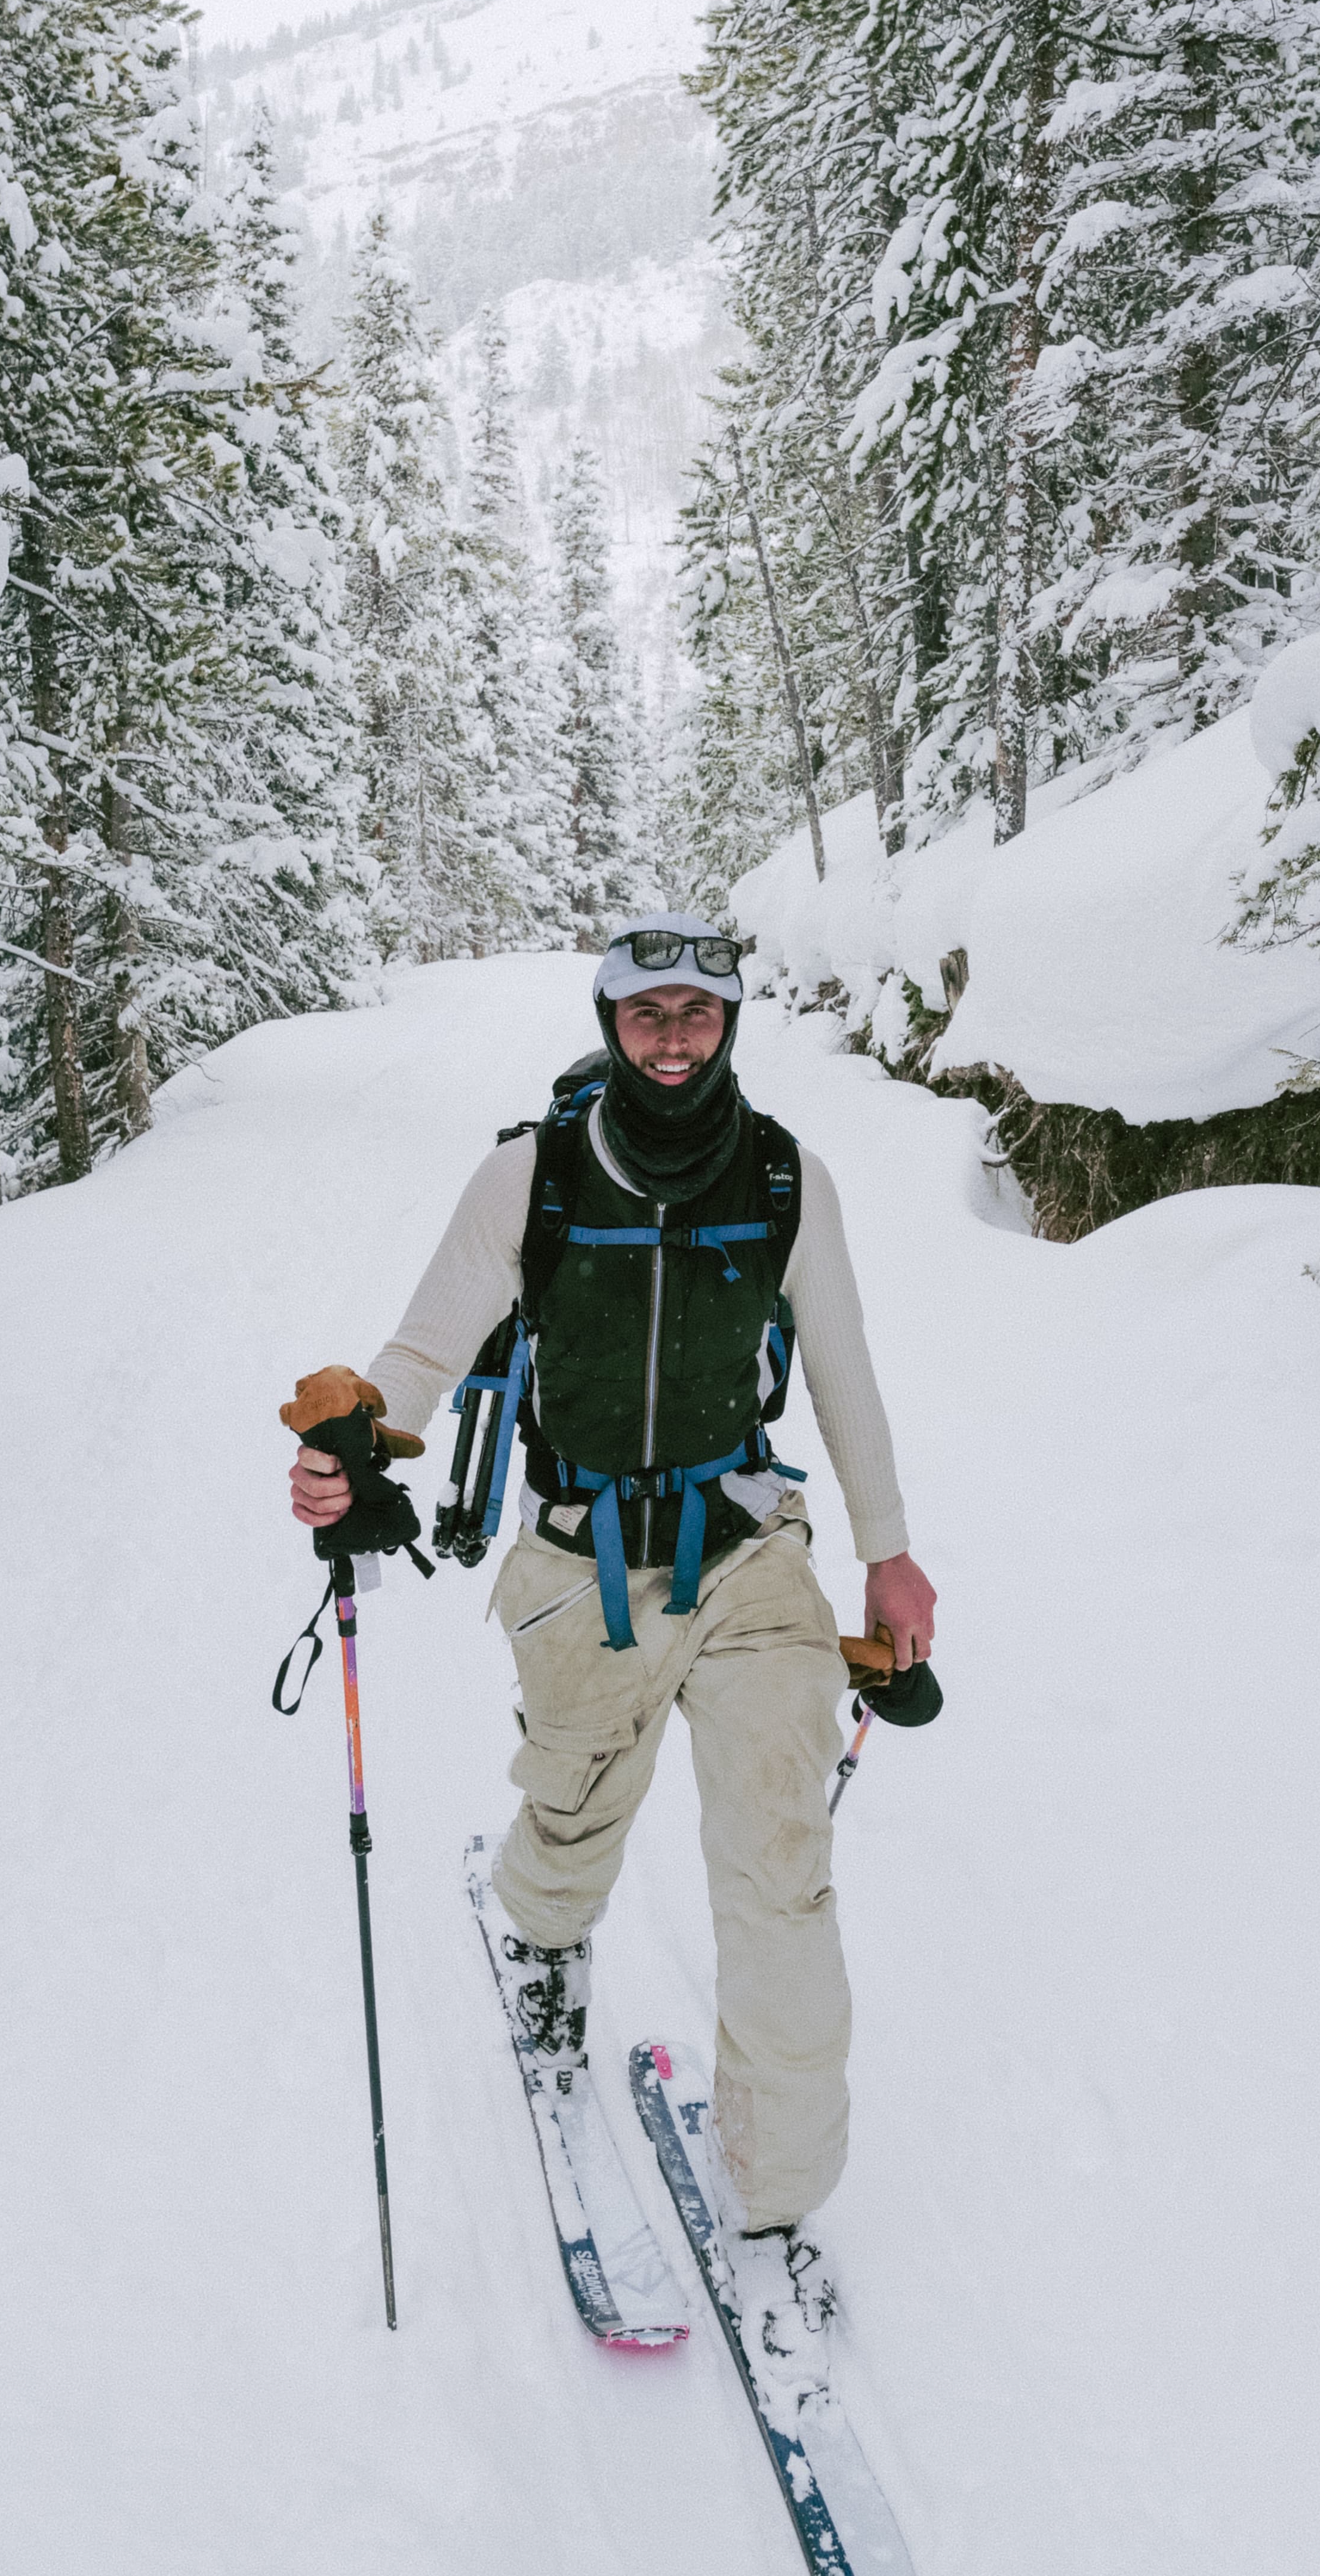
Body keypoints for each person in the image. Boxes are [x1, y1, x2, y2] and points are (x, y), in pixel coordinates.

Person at [286, 916, 934, 2332]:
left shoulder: (785, 1179)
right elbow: (423, 1351)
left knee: (782, 1864)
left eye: (701, 1011)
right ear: (610, 1018)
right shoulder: (530, 1175)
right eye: (650, 1013)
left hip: (752, 1551)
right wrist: (356, 1444)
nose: (675, 1036)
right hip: (583, 1555)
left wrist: (891, 1560)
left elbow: (844, 1374)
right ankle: (540, 1938)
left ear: (732, 1024)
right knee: (574, 1812)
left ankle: (774, 2199)